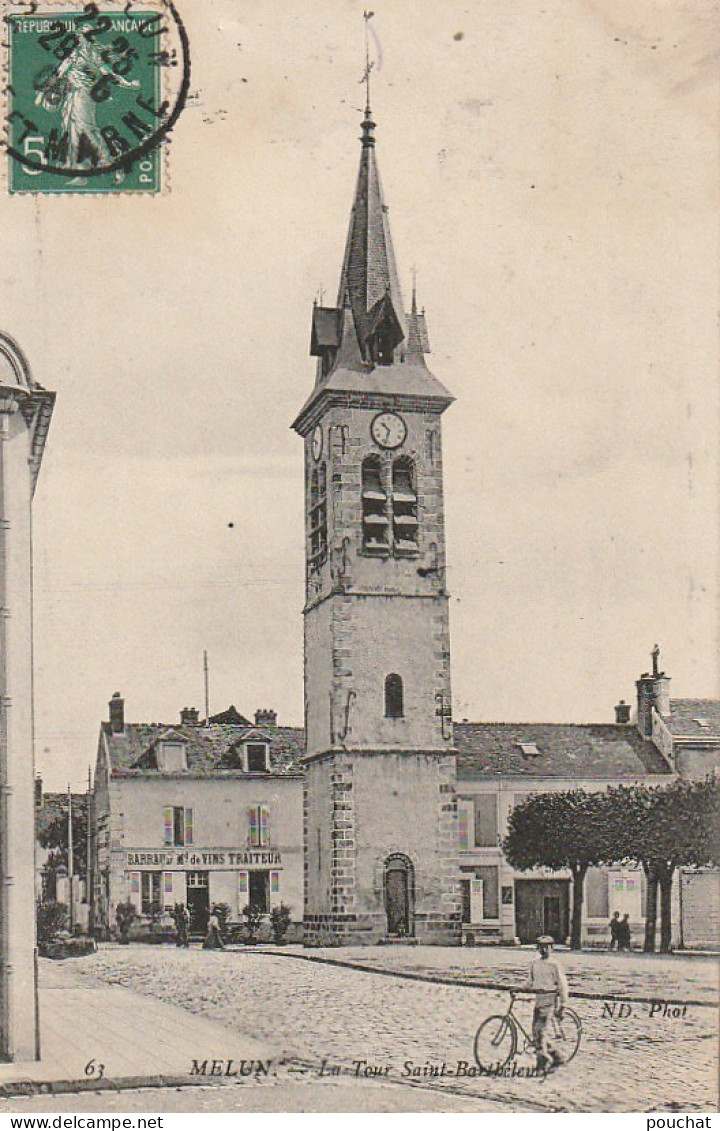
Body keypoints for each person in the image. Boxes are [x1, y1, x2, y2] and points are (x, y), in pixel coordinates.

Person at [523, 935, 569, 1072]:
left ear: (552, 948)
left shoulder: (554, 964)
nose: (544, 949)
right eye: (541, 946)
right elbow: (530, 982)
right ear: (537, 948)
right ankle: (557, 1055)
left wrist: (563, 1005)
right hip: (539, 999)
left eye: (547, 946)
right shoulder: (534, 963)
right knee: (537, 1031)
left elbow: (562, 985)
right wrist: (520, 988)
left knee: (540, 1029)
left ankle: (543, 1061)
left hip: (549, 998)